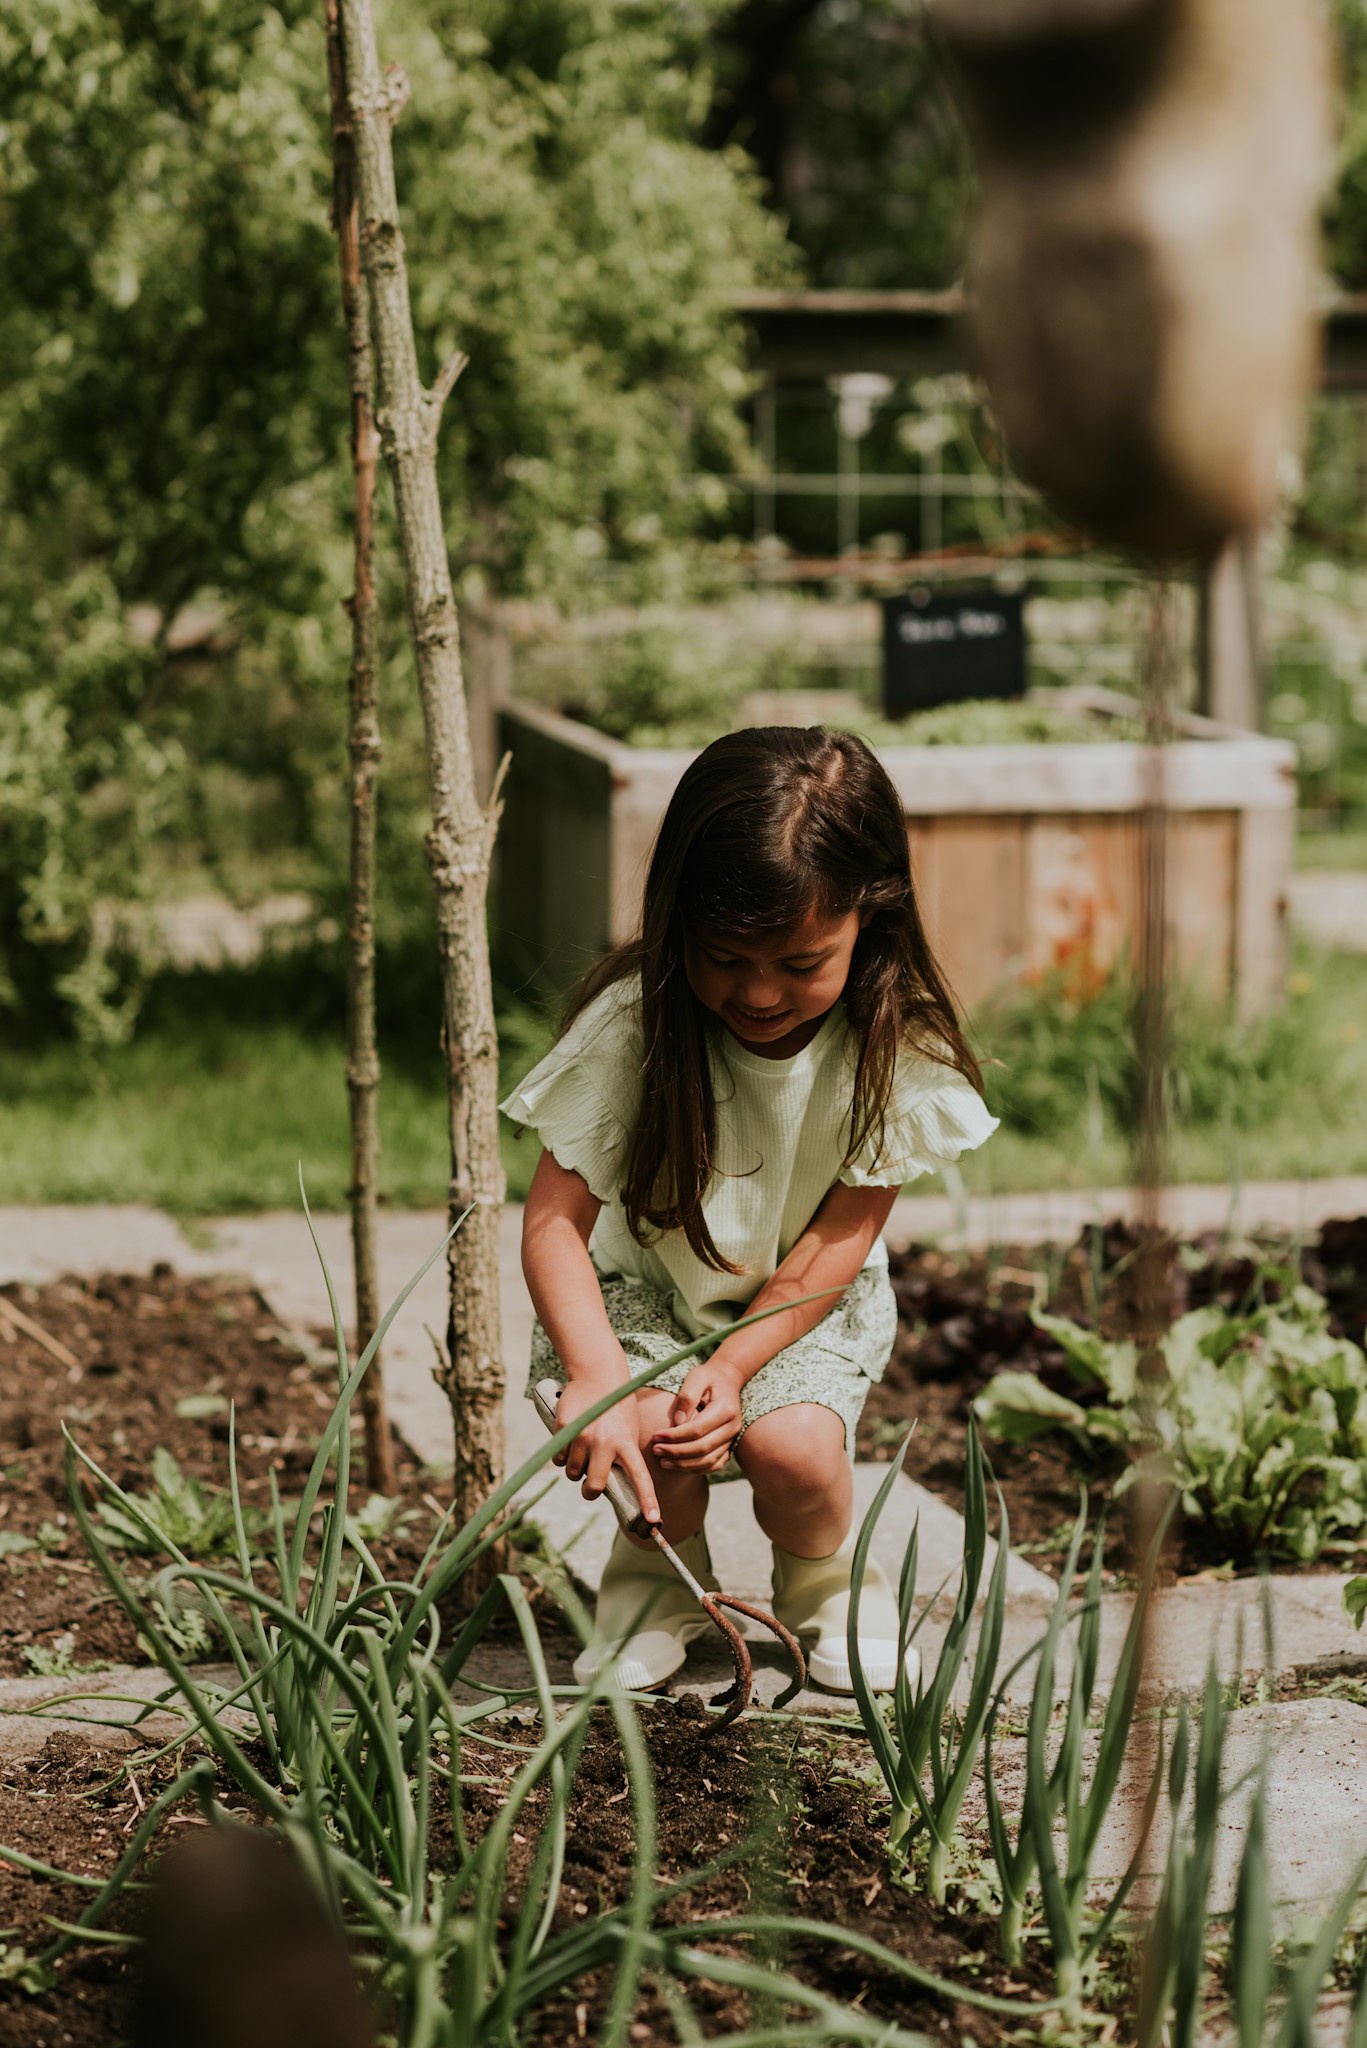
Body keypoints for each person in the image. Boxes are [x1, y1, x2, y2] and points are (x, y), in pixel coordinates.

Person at [502, 725, 996, 1695]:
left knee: (795, 1449)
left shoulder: (890, 1046)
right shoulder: (633, 1028)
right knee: (649, 1437)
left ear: (871, 920)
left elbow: (839, 1238)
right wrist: (596, 1372)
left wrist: (732, 1368)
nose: (760, 991)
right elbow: (550, 1222)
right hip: (642, 1292)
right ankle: (656, 1579)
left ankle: (819, 1583)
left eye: (801, 960)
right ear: (676, 916)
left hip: (802, 1299)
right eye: (725, 956)